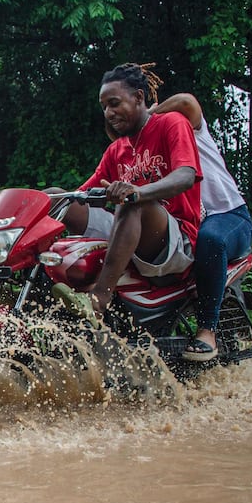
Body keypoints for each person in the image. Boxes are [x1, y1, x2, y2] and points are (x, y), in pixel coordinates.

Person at [52, 63, 203, 326]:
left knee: (132, 202)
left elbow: (186, 176)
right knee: (55, 197)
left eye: (114, 103)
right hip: (129, 227)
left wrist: (137, 192)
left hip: (176, 239)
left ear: (139, 98)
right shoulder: (117, 149)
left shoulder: (170, 123)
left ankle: (98, 300)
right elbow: (83, 194)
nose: (109, 113)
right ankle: (27, 286)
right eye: (104, 107)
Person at [149, 93, 252, 362]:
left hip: (228, 217)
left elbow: (186, 102)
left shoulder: (181, 128)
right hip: (184, 226)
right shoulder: (140, 152)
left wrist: (151, 115)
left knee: (211, 238)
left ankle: (207, 330)